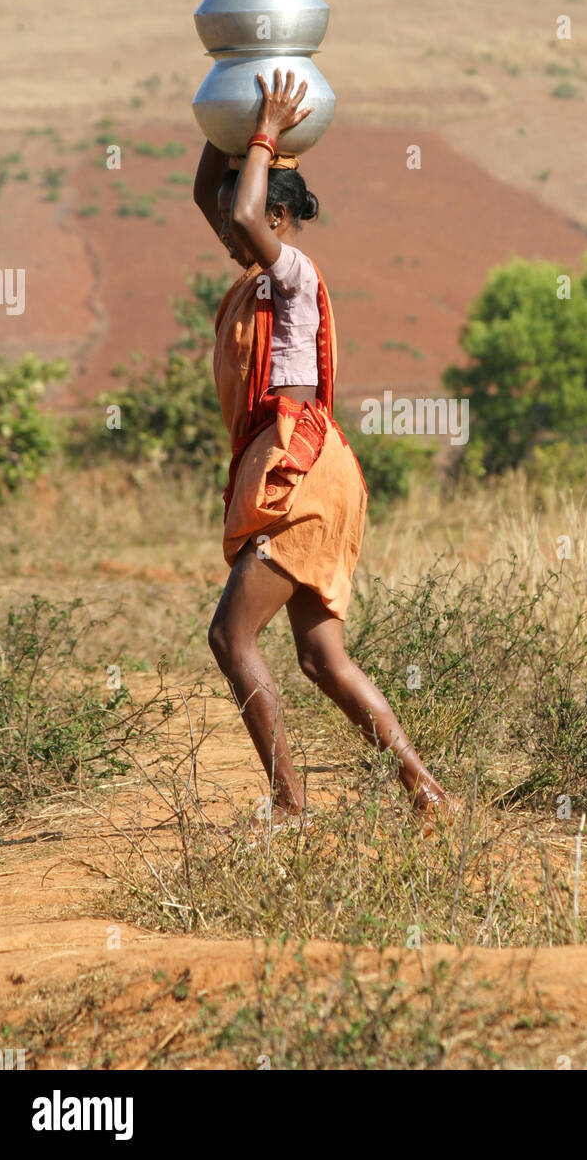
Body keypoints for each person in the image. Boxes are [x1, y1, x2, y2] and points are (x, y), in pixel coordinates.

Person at [193, 68, 458, 835]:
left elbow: (238, 205)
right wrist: (229, 105)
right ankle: (428, 795)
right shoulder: (252, 281)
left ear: (277, 216)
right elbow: (214, 193)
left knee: (228, 635)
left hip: (305, 471)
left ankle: (289, 805)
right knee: (320, 659)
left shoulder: (291, 276)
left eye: (241, 220)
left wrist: (269, 130)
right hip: (308, 468)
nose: (226, 229)